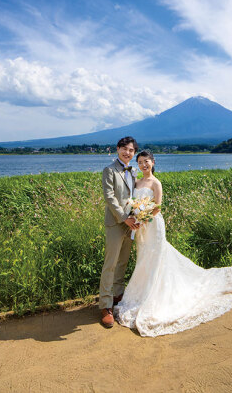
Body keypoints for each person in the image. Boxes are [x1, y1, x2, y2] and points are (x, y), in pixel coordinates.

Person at [114, 150, 232, 336]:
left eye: (147, 161)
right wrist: (134, 216)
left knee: (156, 258)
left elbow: (158, 207)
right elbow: (133, 202)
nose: (144, 165)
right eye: (140, 162)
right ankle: (142, 292)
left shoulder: (155, 183)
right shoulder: (136, 182)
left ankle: (155, 295)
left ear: (153, 162)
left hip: (152, 225)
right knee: (144, 259)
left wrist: (143, 218)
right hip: (141, 228)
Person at [99, 136, 141, 328]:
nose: (127, 152)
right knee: (110, 264)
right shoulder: (109, 170)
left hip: (131, 223)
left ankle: (117, 296)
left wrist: (137, 217)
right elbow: (109, 197)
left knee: (123, 262)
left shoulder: (133, 172)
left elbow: (134, 198)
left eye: (131, 150)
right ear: (117, 149)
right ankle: (105, 305)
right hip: (116, 223)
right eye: (124, 149)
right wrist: (124, 217)